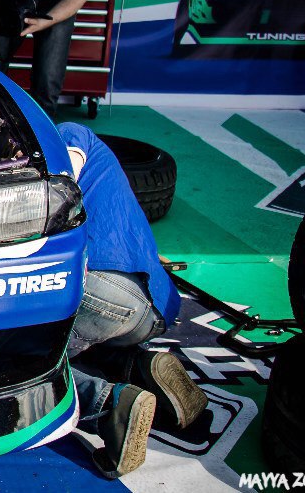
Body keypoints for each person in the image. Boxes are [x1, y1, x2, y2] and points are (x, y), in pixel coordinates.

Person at [59, 122, 208, 478]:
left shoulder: (66, 134)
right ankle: (138, 368)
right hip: (155, 304)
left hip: (101, 289)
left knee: (12, 363)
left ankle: (109, 406)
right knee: (73, 345)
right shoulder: (89, 145)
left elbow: (55, 195)